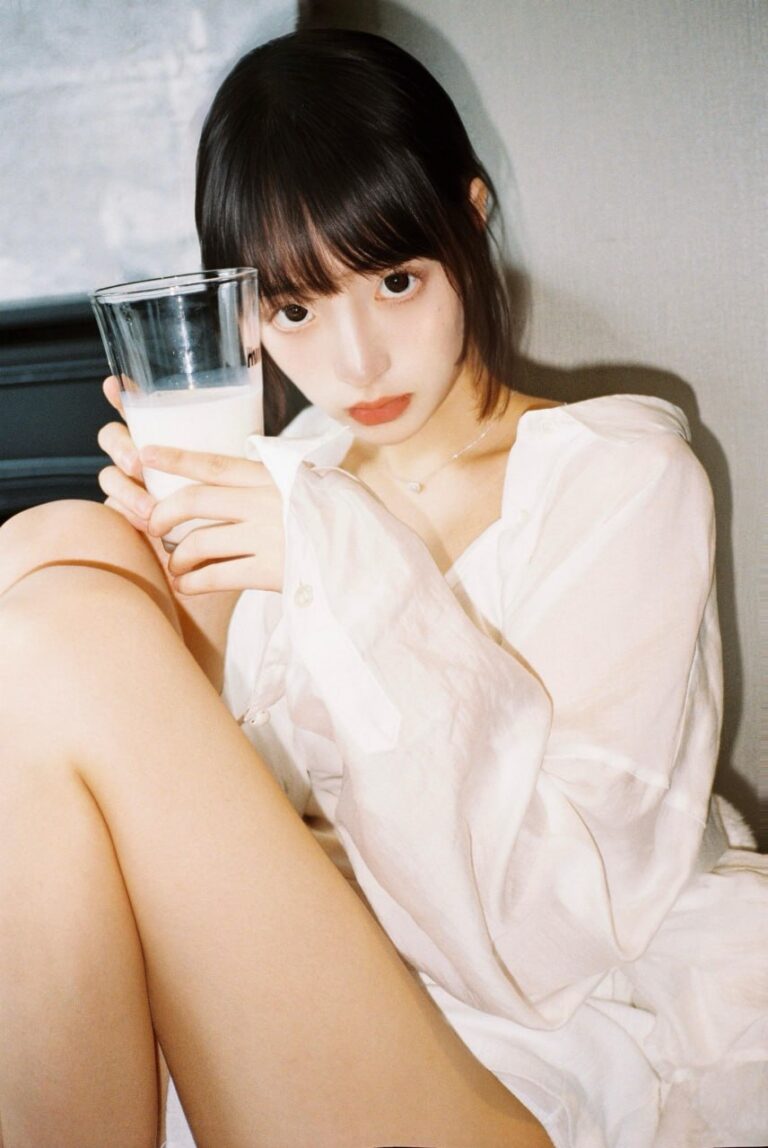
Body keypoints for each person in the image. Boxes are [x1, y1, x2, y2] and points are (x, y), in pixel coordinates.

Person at [0, 26, 765, 1148]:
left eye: (396, 281)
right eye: (295, 309)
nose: (355, 362)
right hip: (306, 988)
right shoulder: (288, 483)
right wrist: (178, 577)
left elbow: (549, 939)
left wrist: (337, 572)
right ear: (246, 313)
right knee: (59, 547)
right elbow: (188, 816)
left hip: (536, 1038)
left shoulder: (621, 478)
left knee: (59, 613)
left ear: (472, 219)